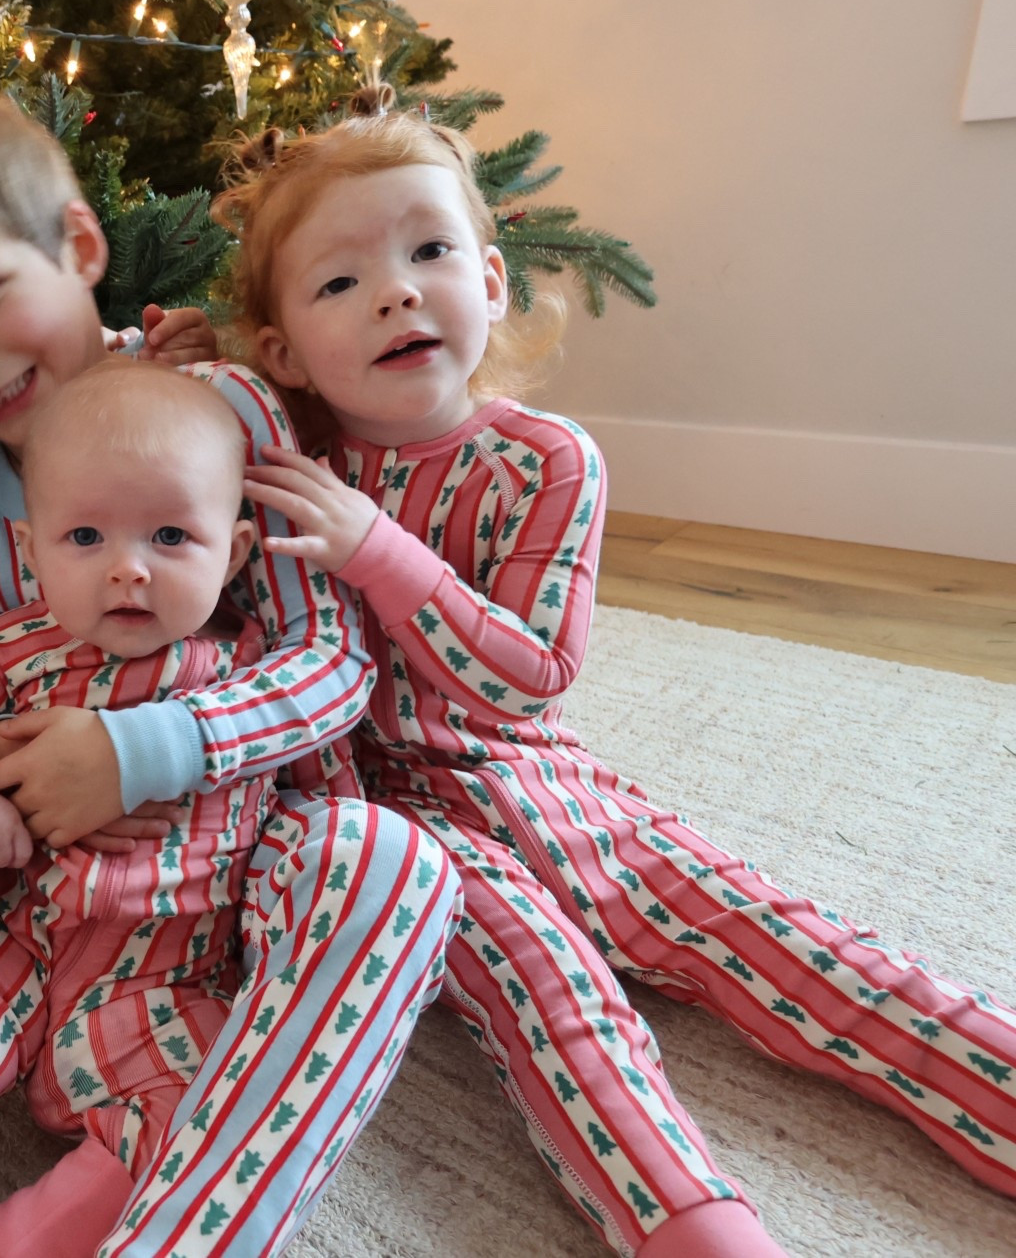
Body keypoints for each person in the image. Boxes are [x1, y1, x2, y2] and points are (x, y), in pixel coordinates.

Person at [222, 82, 1016, 1256]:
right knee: (559, 1016)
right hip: (402, 832)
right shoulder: (282, 456)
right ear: (285, 349)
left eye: (429, 249)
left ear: (487, 284)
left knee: (780, 941)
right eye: (340, 280)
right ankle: (696, 1228)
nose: (395, 289)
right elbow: (142, 417)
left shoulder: (546, 461)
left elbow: (531, 674)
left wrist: (374, 549)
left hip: (551, 790)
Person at [0, 81, 459, 1258]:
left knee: (395, 869)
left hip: (207, 862)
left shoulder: (218, 405)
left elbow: (330, 661)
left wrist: (146, 750)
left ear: (75, 243)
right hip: (0, 876)